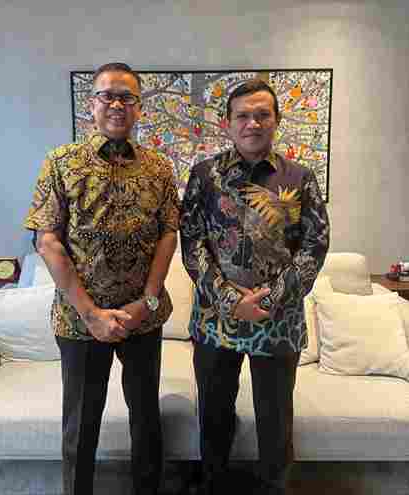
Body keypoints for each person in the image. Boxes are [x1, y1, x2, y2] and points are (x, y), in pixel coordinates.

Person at [24, 62, 180, 495]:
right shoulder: (61, 163)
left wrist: (147, 301)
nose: (116, 104)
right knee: (81, 422)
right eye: (107, 95)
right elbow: (47, 241)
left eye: (127, 97)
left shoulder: (159, 167)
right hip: (80, 321)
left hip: (142, 318)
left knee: (145, 417)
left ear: (139, 108)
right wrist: (91, 314)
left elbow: (169, 233)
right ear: (91, 104)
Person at [180, 79, 330, 495]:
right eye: (243, 115)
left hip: (278, 320)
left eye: (262, 115)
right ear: (227, 123)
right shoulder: (204, 176)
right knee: (214, 413)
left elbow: (315, 244)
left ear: (276, 120)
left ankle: (274, 487)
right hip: (216, 320)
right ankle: (214, 484)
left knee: (275, 418)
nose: (253, 123)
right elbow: (192, 242)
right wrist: (230, 300)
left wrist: (271, 298)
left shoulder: (299, 177)